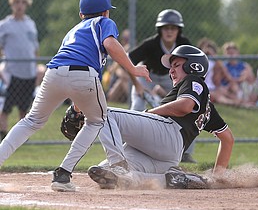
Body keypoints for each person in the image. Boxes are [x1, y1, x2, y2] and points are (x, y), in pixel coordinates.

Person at [0, 0, 151, 191]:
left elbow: (72, 74)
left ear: (81, 15)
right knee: (98, 120)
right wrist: (133, 68)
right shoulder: (104, 22)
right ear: (106, 12)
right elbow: (109, 44)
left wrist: (78, 106)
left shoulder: (73, 30)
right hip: (83, 74)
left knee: (32, 121)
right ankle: (65, 174)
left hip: (53, 72)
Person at [82, 45, 234, 190]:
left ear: (194, 66)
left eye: (176, 65)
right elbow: (227, 139)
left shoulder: (192, 80)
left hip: (166, 134)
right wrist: (217, 178)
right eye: (171, 67)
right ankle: (175, 178)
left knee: (104, 113)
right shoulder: (207, 107)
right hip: (168, 156)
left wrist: (150, 113)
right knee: (108, 173)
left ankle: (118, 166)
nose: (171, 70)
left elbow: (185, 106)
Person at [128, 9, 191, 111]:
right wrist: (137, 85)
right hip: (147, 76)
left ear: (178, 30)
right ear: (160, 29)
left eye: (173, 28)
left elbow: (194, 62)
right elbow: (128, 60)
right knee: (137, 107)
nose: (169, 31)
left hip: (170, 77)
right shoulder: (151, 43)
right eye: (166, 28)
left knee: (180, 107)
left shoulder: (183, 43)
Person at [0, 0, 39, 142]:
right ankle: (3, 133)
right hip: (12, 71)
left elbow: (35, 47)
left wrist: (35, 67)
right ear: (12, 4)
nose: (20, 6)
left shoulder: (30, 24)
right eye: (17, 2)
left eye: (23, 2)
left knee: (24, 106)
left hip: (28, 71)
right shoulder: (5, 25)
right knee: (6, 106)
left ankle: (21, 136)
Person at [219, 42, 258, 108]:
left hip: (242, 86)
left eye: (232, 53)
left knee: (249, 83)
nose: (231, 55)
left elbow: (250, 77)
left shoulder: (244, 65)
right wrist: (241, 78)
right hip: (229, 87)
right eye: (228, 53)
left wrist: (243, 77)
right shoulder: (224, 65)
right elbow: (230, 79)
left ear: (237, 53)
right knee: (233, 85)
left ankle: (248, 101)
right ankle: (244, 103)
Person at [104, 29, 131, 103]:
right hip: (112, 91)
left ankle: (130, 100)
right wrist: (124, 52)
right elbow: (113, 70)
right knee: (122, 80)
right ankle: (130, 100)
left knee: (123, 80)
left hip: (127, 87)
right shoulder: (115, 53)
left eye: (129, 40)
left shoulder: (133, 55)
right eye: (126, 40)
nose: (128, 43)